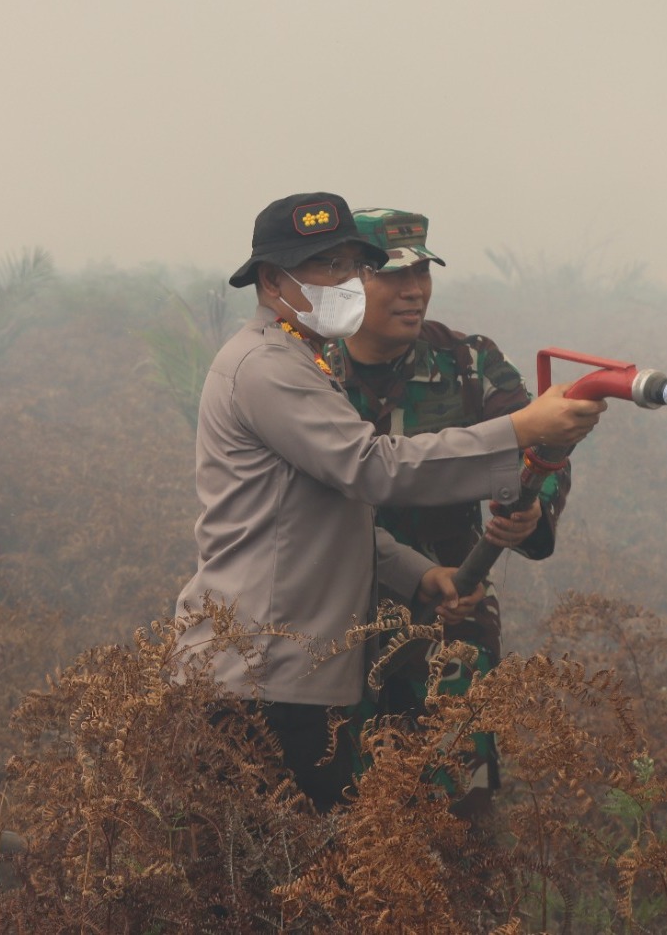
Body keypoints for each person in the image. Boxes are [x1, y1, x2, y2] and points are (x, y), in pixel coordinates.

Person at [173, 191, 606, 813]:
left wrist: (423, 573)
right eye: (331, 268)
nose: (353, 282)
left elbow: (325, 513)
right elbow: (370, 470)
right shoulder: (276, 367)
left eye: (354, 266)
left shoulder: (455, 361)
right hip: (277, 668)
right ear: (273, 279)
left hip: (399, 644)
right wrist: (524, 431)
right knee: (285, 874)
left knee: (429, 834)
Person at [325, 207, 572, 820]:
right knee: (343, 818)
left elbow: (541, 444)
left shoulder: (469, 364)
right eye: (392, 274)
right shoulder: (312, 372)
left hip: (451, 626)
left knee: (458, 813)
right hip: (334, 629)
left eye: (423, 272)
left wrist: (529, 507)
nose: (414, 290)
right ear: (349, 280)